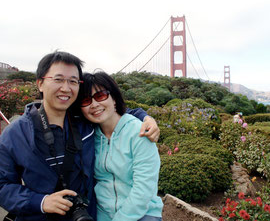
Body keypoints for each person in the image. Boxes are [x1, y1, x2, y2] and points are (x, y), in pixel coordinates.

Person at [0, 51, 160, 221]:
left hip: (86, 216)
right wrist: (41, 201)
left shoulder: (84, 123)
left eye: (73, 81)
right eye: (58, 79)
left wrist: (145, 117)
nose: (66, 88)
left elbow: (111, 112)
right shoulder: (16, 134)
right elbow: (3, 186)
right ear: (40, 83)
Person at [79, 71, 163, 221]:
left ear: (114, 99)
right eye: (86, 101)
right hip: (102, 213)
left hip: (143, 213)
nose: (94, 104)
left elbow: (143, 188)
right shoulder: (89, 136)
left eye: (100, 96)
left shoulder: (139, 132)